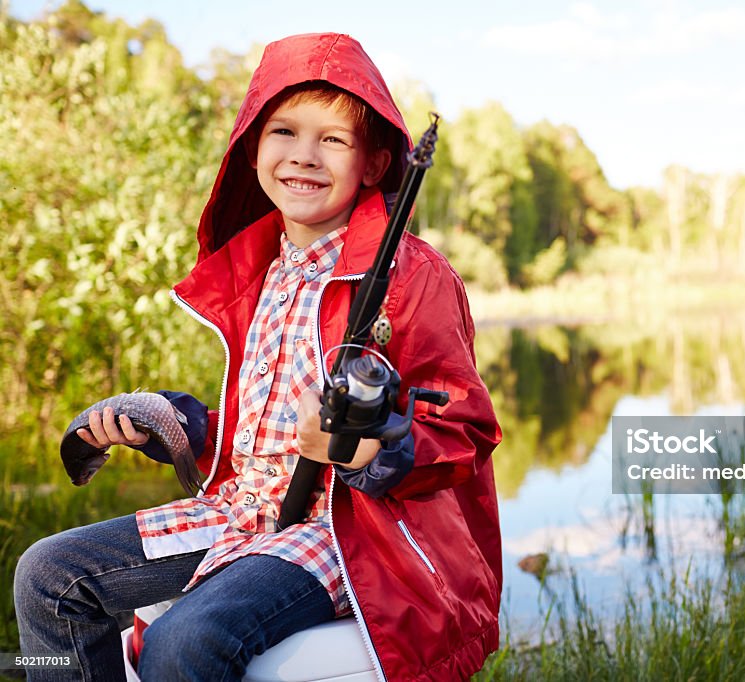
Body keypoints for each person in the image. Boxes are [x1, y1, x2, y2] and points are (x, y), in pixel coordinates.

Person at [14, 33, 502, 682]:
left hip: (345, 533)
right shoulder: (261, 273)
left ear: (377, 164)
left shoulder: (413, 276)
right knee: (46, 576)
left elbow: (464, 433)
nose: (304, 155)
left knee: (185, 643)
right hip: (241, 508)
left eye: (332, 139)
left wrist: (366, 445)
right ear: (252, 147)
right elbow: (260, 439)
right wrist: (176, 426)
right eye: (283, 131)